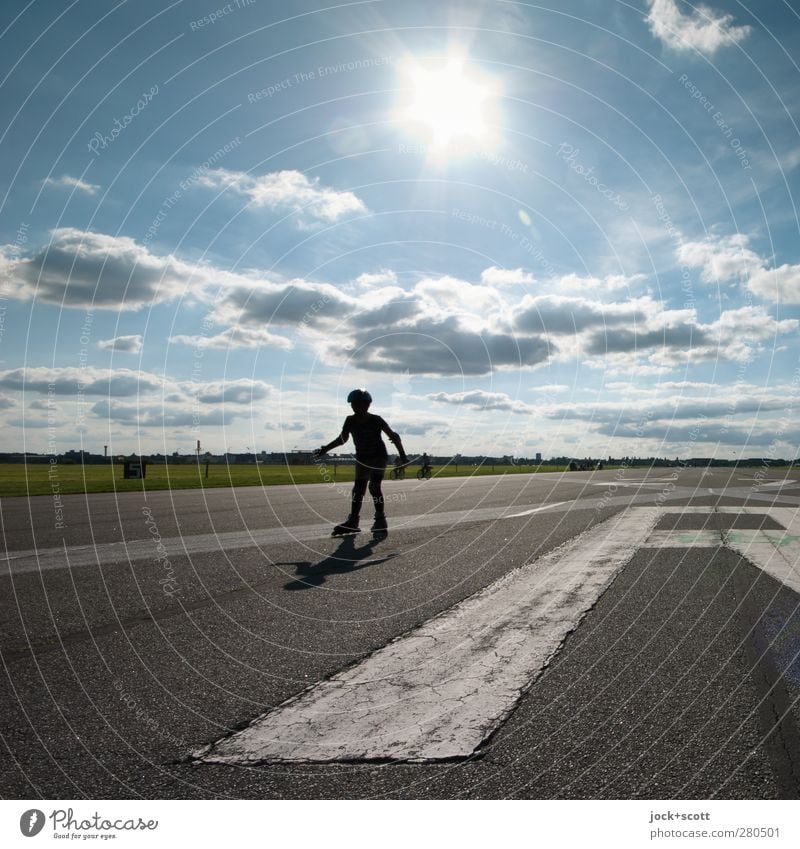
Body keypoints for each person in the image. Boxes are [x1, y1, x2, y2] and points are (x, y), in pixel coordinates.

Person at [314, 389, 408, 534]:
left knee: (374, 486)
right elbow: (342, 439)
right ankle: (353, 521)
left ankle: (380, 520)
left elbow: (394, 436)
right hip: (362, 458)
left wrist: (403, 456)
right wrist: (325, 449)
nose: (355, 407)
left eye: (358, 404)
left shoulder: (376, 419)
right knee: (358, 490)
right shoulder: (350, 420)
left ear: (367, 405)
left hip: (378, 456)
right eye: (353, 404)